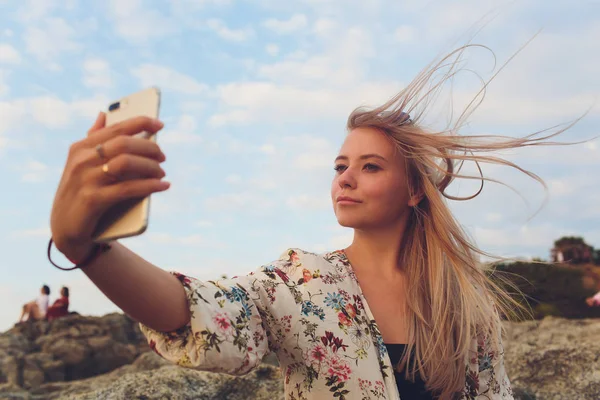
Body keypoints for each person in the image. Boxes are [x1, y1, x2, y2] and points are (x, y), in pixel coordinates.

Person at [47, 45, 588, 400]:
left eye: (370, 167)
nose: (345, 178)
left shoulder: (463, 302)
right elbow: (195, 311)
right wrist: (87, 248)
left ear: (416, 191)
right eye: (340, 166)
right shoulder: (303, 282)